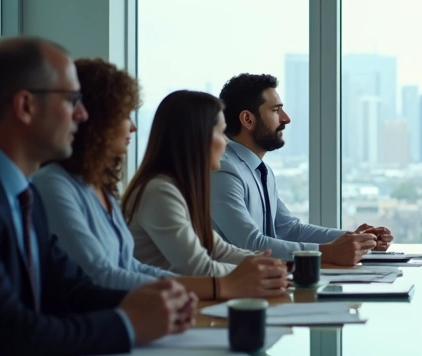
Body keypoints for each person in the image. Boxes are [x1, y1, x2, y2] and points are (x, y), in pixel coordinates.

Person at [0, 36, 195, 356]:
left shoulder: (22, 192)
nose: (83, 115)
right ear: (25, 106)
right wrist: (129, 324)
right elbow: (11, 335)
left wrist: (154, 303)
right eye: (72, 100)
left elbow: (69, 288)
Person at [33, 60, 287, 300]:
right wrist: (228, 283)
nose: (133, 127)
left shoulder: (99, 188)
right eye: (123, 115)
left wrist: (263, 268)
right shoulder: (56, 185)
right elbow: (102, 276)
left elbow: (132, 266)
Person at [122, 90, 289, 295]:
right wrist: (258, 273)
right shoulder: (159, 191)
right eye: (221, 132)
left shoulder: (179, 188)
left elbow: (218, 249)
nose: (226, 142)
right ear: (197, 138)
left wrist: (264, 264)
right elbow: (198, 269)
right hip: (160, 311)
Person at [212, 74, 383, 267]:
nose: (286, 118)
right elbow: (250, 244)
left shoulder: (261, 170)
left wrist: (353, 239)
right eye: (276, 110)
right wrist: (326, 252)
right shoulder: (223, 170)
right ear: (247, 119)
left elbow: (290, 229)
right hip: (234, 290)